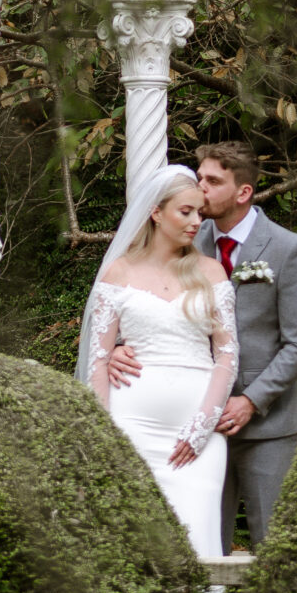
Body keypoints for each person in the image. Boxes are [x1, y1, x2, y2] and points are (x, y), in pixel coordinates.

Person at [105, 139, 297, 550]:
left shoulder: (288, 249)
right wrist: (115, 347)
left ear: (243, 192)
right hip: (188, 419)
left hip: (265, 424)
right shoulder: (183, 237)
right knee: (197, 537)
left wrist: (250, 400)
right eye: (199, 178)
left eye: (213, 181)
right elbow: (142, 303)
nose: (200, 189)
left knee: (270, 545)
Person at [77, 163, 238, 558]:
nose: (196, 221)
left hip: (196, 436)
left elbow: (228, 355)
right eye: (186, 212)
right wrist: (103, 433)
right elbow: (98, 360)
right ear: (156, 212)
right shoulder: (119, 272)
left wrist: (202, 426)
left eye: (199, 212)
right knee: (133, 539)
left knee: (197, 535)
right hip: (132, 426)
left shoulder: (210, 272)